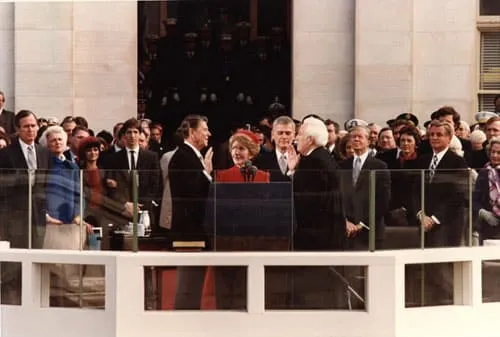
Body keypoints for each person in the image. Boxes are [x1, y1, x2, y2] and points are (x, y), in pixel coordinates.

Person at [286, 117, 346, 309]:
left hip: (316, 237)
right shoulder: (320, 157)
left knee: (315, 290)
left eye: (300, 134)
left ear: (310, 139)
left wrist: (295, 172)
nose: (295, 138)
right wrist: (295, 170)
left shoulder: (313, 162)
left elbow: (303, 200)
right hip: (325, 235)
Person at [0, 110, 51, 304]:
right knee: (14, 265)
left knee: (35, 260)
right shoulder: (5, 154)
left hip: (37, 216)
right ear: (17, 129)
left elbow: (45, 184)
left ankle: (33, 302)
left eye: (33, 125)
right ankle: (12, 304)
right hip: (14, 216)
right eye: (26, 126)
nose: (30, 130)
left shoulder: (44, 152)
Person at [169, 115, 213, 310]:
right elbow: (193, 193)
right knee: (188, 286)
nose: (208, 133)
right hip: (189, 234)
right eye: (204, 129)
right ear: (192, 132)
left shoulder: (193, 156)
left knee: (194, 286)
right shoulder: (183, 157)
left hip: (197, 232)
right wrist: (207, 174)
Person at [473, 137, 500, 243]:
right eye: (493, 152)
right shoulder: (484, 172)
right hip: (489, 226)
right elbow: (475, 199)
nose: (494, 155)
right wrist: (483, 212)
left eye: (499, 152)